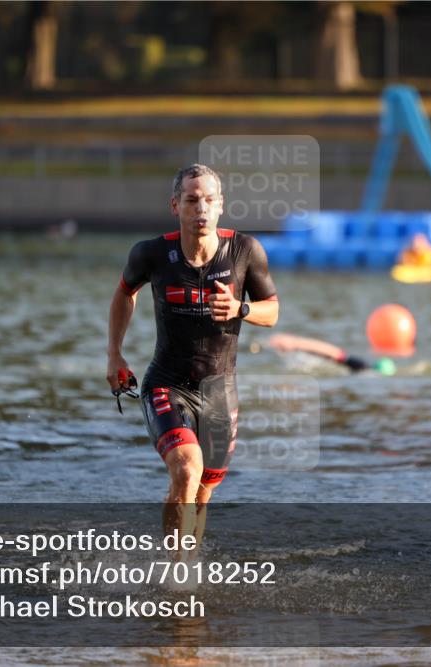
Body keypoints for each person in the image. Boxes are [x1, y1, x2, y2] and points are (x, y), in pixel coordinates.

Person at [106, 163, 279, 560]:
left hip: (221, 390)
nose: (200, 208)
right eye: (191, 200)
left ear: (221, 206)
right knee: (187, 468)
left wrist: (240, 308)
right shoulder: (151, 253)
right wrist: (114, 353)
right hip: (167, 382)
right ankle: (177, 573)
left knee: (202, 493)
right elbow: (124, 293)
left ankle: (186, 566)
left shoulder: (244, 250)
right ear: (175, 206)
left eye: (209, 200)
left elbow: (272, 311)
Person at [266, 333, 396, 376]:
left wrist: (296, 343)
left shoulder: (360, 366)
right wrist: (295, 343)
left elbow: (332, 352)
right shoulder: (361, 366)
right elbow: (334, 353)